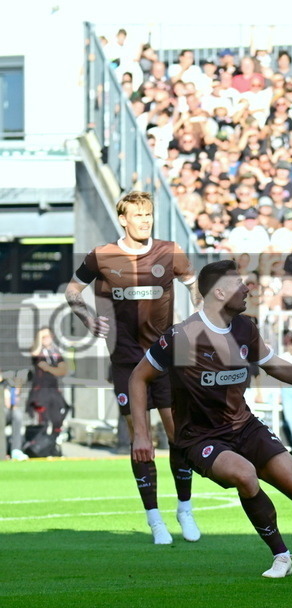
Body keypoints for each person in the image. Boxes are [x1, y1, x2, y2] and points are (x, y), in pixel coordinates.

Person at [128, 260, 292, 577]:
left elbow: (275, 365)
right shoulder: (184, 336)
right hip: (202, 438)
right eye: (240, 284)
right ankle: (281, 555)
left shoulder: (244, 328)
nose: (247, 289)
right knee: (245, 475)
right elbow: (138, 378)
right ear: (219, 292)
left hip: (246, 428)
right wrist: (142, 435)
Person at [65, 190, 201, 545]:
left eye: (149, 215)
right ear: (123, 219)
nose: (145, 220)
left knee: (178, 436)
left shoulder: (170, 251)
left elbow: (194, 287)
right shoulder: (102, 256)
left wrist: (200, 323)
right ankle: (154, 518)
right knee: (141, 440)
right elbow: (72, 292)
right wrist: (88, 319)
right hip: (126, 361)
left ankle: (184, 508)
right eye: (138, 215)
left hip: (166, 357)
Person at [25, 328, 69, 440]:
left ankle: (53, 442)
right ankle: (40, 443)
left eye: (47, 336)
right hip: (40, 391)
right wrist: (39, 338)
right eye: (42, 337)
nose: (45, 339)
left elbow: (62, 370)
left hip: (53, 390)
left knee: (58, 416)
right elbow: (34, 353)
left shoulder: (55, 353)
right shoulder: (38, 352)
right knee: (42, 417)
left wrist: (48, 368)